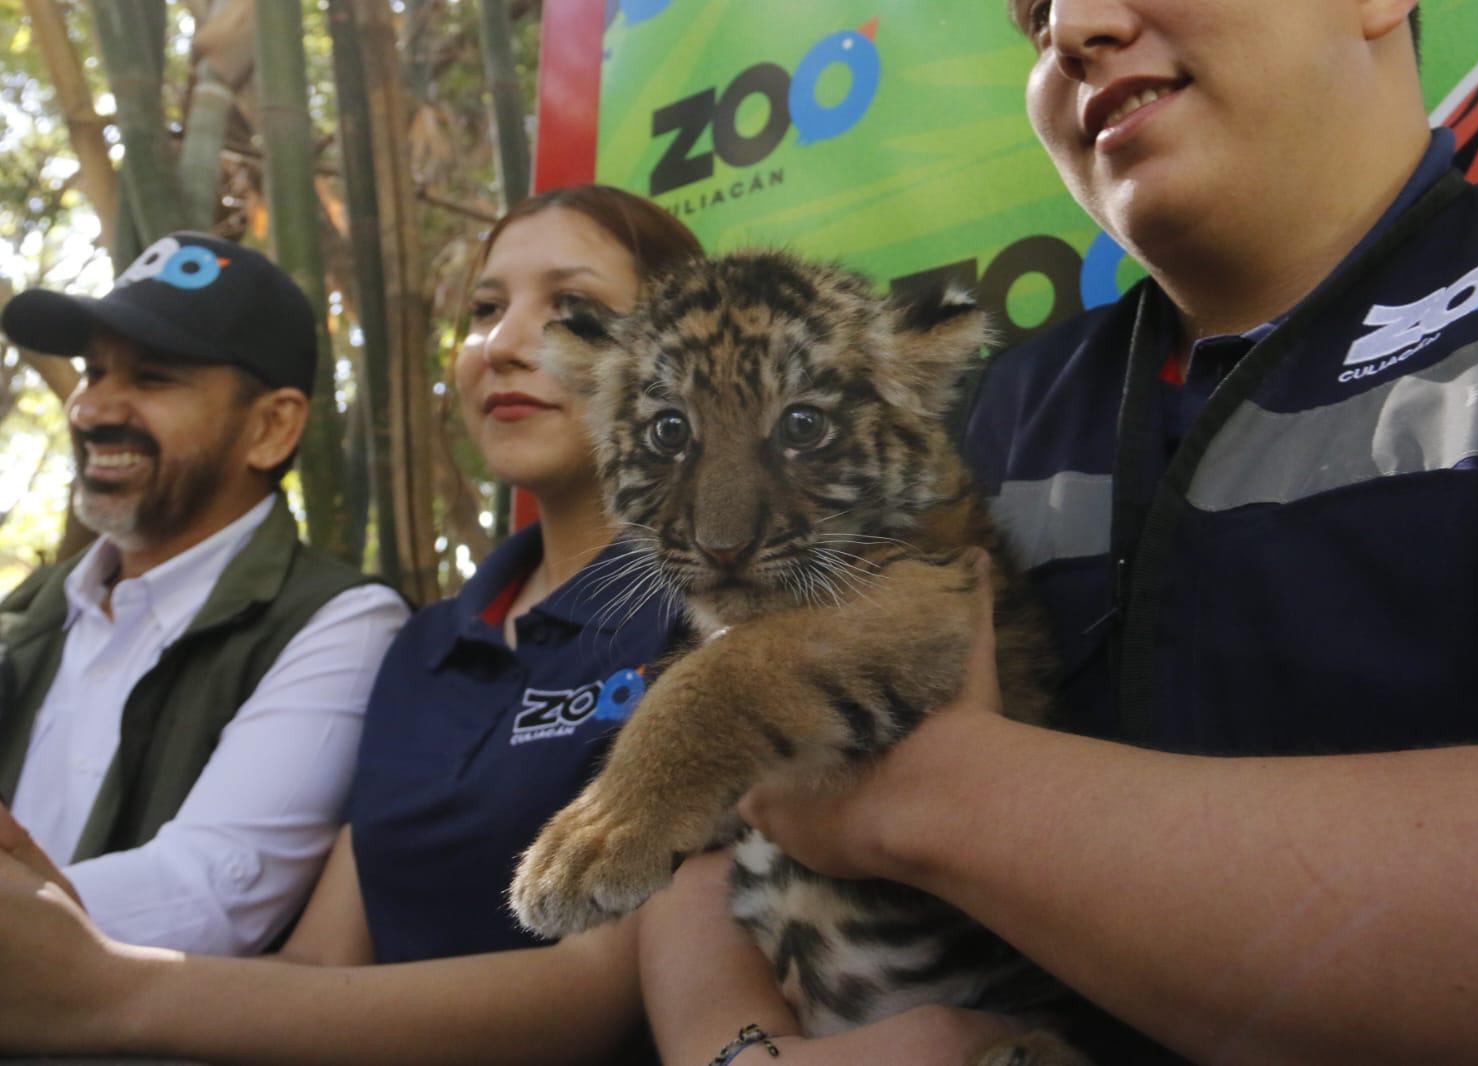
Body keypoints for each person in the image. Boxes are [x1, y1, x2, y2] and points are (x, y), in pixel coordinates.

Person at [663, 2, 1478, 1063]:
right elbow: (687, 820)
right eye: (1034, 13)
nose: (1074, 26)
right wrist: (733, 1049)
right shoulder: (962, 412)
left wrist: (937, 793)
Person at [0, 187, 1016, 1065]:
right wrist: (76, 950)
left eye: (571, 307)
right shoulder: (421, 639)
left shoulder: (730, 599)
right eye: (487, 307)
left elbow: (599, 985)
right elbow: (319, 962)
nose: (511, 341)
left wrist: (120, 992)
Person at [0, 233, 409, 955]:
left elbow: (207, 897)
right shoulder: (31, 611)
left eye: (153, 378)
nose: (94, 408)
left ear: (271, 426)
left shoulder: (339, 623)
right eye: (94, 372)